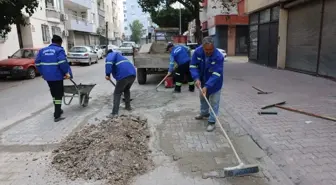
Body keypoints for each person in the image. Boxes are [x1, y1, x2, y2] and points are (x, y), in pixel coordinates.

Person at [189, 36, 224, 132]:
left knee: (214, 102)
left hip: (215, 83)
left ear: (214, 47)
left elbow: (216, 74)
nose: (208, 51)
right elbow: (193, 66)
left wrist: (207, 86)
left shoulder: (219, 56)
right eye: (206, 50)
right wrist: (196, 78)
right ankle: (204, 113)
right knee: (203, 98)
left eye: (211, 49)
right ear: (203, 47)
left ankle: (212, 121)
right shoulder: (197, 52)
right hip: (202, 81)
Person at [35, 35, 73, 122]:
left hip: (48, 77)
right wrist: (66, 73)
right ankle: (57, 115)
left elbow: (37, 63)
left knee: (54, 93)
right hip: (57, 76)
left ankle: (58, 110)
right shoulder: (59, 50)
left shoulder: (42, 51)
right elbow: (62, 63)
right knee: (58, 94)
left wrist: (43, 73)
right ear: (60, 42)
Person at [105, 49, 136, 117]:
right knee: (126, 90)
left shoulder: (110, 55)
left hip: (123, 75)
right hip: (133, 74)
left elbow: (109, 63)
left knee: (117, 93)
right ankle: (128, 107)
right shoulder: (120, 56)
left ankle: (114, 113)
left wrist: (107, 74)